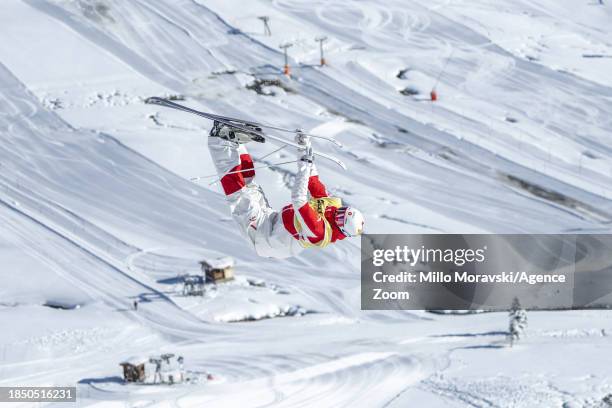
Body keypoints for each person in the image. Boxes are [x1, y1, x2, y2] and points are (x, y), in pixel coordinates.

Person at [207, 122, 364, 259]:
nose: (337, 211)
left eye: (340, 216)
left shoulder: (319, 231)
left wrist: (304, 166)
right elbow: (312, 180)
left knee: (240, 195)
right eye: (342, 210)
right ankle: (235, 143)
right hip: (274, 222)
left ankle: (219, 141)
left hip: (265, 240)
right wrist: (305, 150)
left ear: (340, 226)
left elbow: (298, 199)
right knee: (250, 185)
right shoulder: (333, 208)